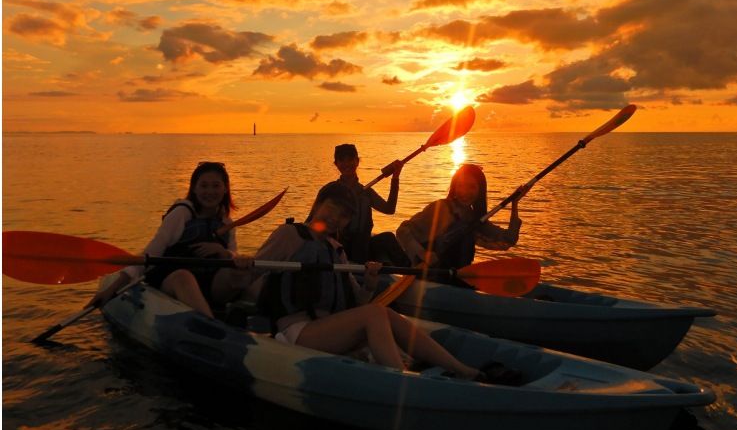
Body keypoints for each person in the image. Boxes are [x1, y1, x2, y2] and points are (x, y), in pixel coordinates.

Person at [248, 182, 489, 380]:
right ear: (319, 203)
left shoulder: (336, 249)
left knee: (385, 314)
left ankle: (463, 370)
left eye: (344, 216)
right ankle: (403, 379)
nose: (336, 218)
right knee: (375, 313)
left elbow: (358, 303)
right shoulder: (290, 235)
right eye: (332, 208)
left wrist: (370, 283)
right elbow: (252, 274)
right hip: (297, 331)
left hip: (329, 328)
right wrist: (240, 268)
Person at [86, 162, 255, 318]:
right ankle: (212, 324)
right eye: (203, 186)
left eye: (216, 186)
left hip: (209, 282)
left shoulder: (226, 221)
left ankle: (250, 312)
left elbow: (233, 254)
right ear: (194, 189)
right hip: (172, 281)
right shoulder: (181, 214)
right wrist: (112, 288)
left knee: (239, 270)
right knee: (183, 277)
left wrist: (223, 252)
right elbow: (150, 253)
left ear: (225, 189)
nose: (210, 191)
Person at [395, 163, 522, 271]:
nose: (465, 192)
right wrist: (423, 254)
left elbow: (508, 240)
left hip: (455, 278)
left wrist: (515, 204)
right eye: (460, 185)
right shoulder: (441, 208)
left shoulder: (475, 220)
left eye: (472, 187)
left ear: (480, 190)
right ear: (454, 186)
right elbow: (403, 230)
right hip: (425, 274)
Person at [307, 143, 409, 266]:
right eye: (341, 160)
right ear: (336, 164)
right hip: (338, 248)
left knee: (388, 238)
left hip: (364, 248)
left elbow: (389, 209)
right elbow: (311, 221)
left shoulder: (366, 192)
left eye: (350, 159)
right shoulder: (330, 190)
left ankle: (413, 273)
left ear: (357, 161)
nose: (346, 164)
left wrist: (395, 178)